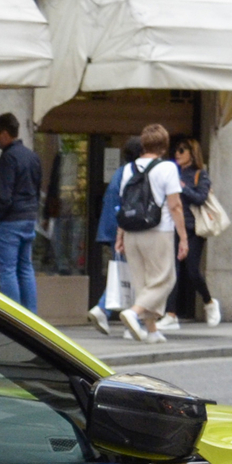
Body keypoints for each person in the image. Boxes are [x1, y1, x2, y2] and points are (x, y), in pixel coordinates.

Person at [113, 122, 185, 342]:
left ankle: (152, 331)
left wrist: (120, 235)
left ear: (143, 144)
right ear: (164, 146)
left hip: (133, 231)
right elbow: (175, 206)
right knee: (164, 279)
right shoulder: (168, 168)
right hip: (158, 230)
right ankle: (133, 314)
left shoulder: (127, 169)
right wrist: (183, 237)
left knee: (142, 282)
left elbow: (126, 204)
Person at [0, 112, 43, 310]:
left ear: (5, 134)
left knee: (6, 271)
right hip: (27, 219)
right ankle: (31, 316)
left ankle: (14, 317)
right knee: (25, 269)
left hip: (7, 222)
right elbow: (37, 188)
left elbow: (2, 194)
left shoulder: (8, 158)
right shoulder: (32, 156)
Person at [166, 137, 222, 329]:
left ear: (192, 153)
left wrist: (183, 188)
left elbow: (200, 198)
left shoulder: (200, 174)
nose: (177, 154)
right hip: (173, 227)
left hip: (193, 230)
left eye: (182, 150)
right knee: (173, 270)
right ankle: (171, 314)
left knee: (192, 272)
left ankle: (209, 302)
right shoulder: (171, 172)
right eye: (176, 150)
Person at [86, 154, 125, 334]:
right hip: (124, 230)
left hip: (112, 228)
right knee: (129, 274)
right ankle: (104, 309)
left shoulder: (119, 172)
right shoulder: (132, 173)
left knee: (123, 273)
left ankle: (105, 309)